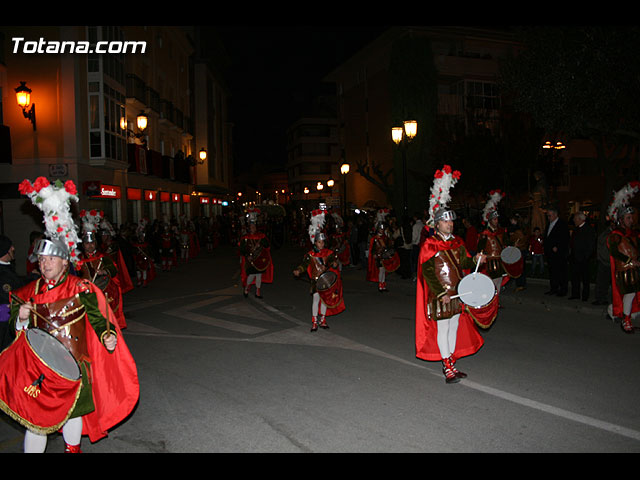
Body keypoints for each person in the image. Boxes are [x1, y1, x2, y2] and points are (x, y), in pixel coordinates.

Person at [2, 177, 138, 453]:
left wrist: (108, 336)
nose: (45, 264)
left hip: (75, 364)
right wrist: (23, 317)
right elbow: (15, 330)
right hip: (39, 366)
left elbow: (100, 320)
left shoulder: (82, 288)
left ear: (65, 261)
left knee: (74, 413)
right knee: (36, 421)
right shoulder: (26, 291)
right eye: (41, 259)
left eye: (51, 259)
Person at [416, 165, 486, 384]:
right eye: (446, 221)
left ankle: (451, 362)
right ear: (437, 224)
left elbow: (463, 262)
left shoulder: (457, 242)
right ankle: (447, 367)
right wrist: (439, 294)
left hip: (458, 292)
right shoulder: (430, 245)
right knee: (444, 327)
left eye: (451, 221)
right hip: (441, 295)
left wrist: (475, 259)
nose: (451, 224)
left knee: (455, 325)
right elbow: (427, 273)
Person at [293, 209, 345, 331]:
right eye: (319, 242)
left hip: (326, 280)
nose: (322, 244)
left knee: (325, 300)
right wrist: (299, 270)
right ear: (315, 242)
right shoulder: (310, 254)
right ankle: (314, 321)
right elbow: (304, 265)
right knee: (316, 300)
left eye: (323, 242)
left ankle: (323, 320)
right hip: (316, 281)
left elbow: (334, 263)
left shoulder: (329, 253)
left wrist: (335, 264)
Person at [77, 213, 126, 329]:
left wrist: (104, 272)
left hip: (102, 290)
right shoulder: (78, 259)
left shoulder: (102, 257)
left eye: (92, 243)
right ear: (83, 245)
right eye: (87, 244)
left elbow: (114, 270)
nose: (90, 246)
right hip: (85, 292)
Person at [606, 181, 640, 333]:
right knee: (629, 293)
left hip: (634, 269)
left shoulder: (633, 234)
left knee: (631, 294)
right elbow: (614, 252)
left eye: (631, 218)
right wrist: (629, 261)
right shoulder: (615, 235)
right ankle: (625, 320)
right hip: (624, 270)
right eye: (627, 218)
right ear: (621, 219)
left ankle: (614, 311)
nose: (630, 220)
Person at [477, 190, 511, 296]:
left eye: (497, 219)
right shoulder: (484, 234)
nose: (496, 221)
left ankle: (496, 301)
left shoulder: (501, 232)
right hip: (490, 262)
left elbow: (506, 244)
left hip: (500, 260)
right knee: (491, 283)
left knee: (499, 282)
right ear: (490, 220)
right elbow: (480, 249)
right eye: (494, 219)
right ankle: (491, 301)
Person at [239, 209, 273, 299]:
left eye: (254, 226)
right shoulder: (245, 238)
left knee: (259, 275)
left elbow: (267, 246)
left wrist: (262, 241)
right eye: (251, 226)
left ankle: (258, 292)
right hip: (250, 259)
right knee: (251, 275)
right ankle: (246, 288)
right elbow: (242, 249)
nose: (253, 228)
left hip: (259, 259)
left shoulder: (261, 236)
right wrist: (247, 256)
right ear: (249, 228)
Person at [0, 235, 25, 349]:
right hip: (4, 325)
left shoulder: (7, 269)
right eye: (10, 247)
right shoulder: (3, 275)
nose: (13, 249)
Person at [367, 210, 400, 292]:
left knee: (384, 271)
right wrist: (376, 254)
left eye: (383, 229)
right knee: (381, 271)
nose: (382, 230)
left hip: (384, 255)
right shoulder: (374, 238)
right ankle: (380, 286)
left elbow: (388, 245)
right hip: (379, 256)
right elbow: (373, 248)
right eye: (380, 229)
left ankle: (383, 285)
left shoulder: (385, 237)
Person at [568, 211, 596, 302]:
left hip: (584, 258)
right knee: (574, 277)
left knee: (585, 278)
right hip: (575, 257)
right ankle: (575, 294)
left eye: (575, 218)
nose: (574, 220)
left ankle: (585, 295)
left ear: (580, 219)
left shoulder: (589, 229)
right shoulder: (576, 229)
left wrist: (586, 256)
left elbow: (591, 245)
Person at [544, 206, 570, 296]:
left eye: (550, 216)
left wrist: (558, 246)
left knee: (561, 272)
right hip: (550, 252)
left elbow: (565, 238)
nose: (548, 218)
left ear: (555, 215)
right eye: (548, 216)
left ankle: (563, 290)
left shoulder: (562, 224)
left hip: (559, 253)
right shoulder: (549, 224)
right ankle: (553, 288)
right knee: (552, 272)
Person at [592, 222, 613, 306]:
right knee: (601, 280)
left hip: (607, 260)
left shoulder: (612, 234)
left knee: (605, 281)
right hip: (603, 259)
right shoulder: (606, 233)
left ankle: (602, 298)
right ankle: (600, 298)